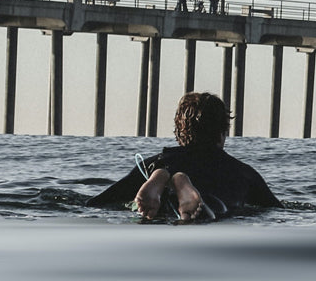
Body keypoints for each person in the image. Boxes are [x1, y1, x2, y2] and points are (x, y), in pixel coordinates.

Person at [87, 93, 280, 222]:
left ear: (179, 132)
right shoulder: (243, 173)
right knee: (211, 211)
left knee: (153, 213)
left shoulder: (155, 162)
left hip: (166, 167)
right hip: (211, 201)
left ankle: (164, 181)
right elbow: (277, 210)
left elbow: (98, 203)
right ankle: (183, 190)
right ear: (222, 132)